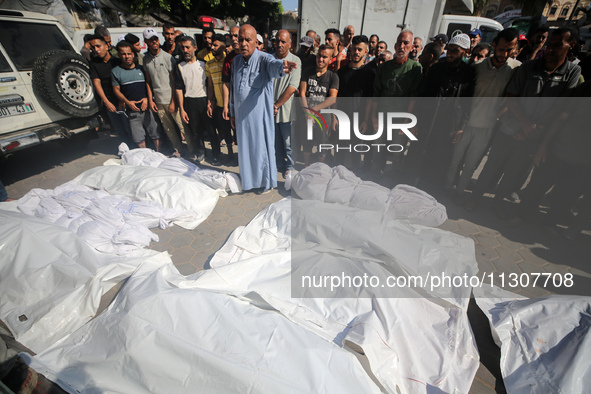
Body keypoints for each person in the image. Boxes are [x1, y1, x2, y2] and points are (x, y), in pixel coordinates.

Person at [465, 26, 582, 217]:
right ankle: (475, 198)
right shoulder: (529, 67)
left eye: (557, 45)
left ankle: (497, 203)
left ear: (571, 46)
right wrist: (525, 124)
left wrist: (534, 128)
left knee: (514, 173)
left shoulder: (572, 72)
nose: (551, 49)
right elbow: (511, 96)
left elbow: (561, 106)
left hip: (533, 136)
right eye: (549, 45)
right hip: (510, 128)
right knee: (491, 167)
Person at [445, 28, 520, 204]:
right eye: (502, 49)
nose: (505, 54)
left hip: (487, 127)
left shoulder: (515, 69)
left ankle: (461, 193)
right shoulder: (477, 67)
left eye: (510, 50)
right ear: (494, 45)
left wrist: (499, 115)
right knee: (454, 161)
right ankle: (447, 190)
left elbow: (512, 98)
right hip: (467, 124)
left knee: (471, 165)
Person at [508, 81, 591, 229]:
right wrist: (543, 146)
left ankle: (549, 225)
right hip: (559, 153)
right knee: (537, 188)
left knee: (566, 198)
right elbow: (560, 118)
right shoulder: (585, 89)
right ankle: (521, 216)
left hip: (584, 164)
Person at [229, 25, 297, 194]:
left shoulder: (264, 58)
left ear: (256, 42)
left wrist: (283, 67)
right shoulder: (236, 61)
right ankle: (249, 182)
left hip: (259, 117)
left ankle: (266, 183)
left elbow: (274, 65)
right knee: (245, 151)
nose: (243, 43)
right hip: (242, 117)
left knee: (261, 151)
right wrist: (232, 112)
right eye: (241, 39)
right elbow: (233, 88)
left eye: (248, 40)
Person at [415, 33, 475, 193]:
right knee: (423, 155)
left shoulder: (469, 73)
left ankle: (432, 191)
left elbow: (468, 102)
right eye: (449, 49)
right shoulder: (437, 69)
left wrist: (461, 126)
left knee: (442, 159)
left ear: (465, 51)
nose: (450, 54)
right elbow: (423, 96)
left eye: (455, 50)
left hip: (450, 124)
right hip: (430, 121)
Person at [371, 30, 422, 173]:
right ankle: (374, 179)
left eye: (406, 43)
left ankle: (393, 182)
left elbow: (414, 96)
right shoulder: (384, 67)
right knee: (377, 152)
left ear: (412, 46)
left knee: (396, 154)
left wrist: (407, 121)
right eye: (399, 42)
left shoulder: (415, 68)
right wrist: (374, 117)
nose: (402, 46)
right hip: (382, 117)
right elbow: (376, 93)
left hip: (401, 120)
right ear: (394, 45)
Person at [143, 27, 192, 158]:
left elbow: (175, 81)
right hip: (158, 102)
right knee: (169, 129)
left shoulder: (168, 57)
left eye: (155, 39)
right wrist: (150, 100)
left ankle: (193, 151)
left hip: (171, 100)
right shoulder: (146, 59)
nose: (153, 42)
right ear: (146, 42)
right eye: (150, 40)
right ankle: (179, 150)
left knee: (183, 127)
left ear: (158, 40)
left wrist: (173, 102)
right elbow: (148, 81)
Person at [176, 36, 221, 165]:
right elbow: (179, 88)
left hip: (204, 100)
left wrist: (210, 101)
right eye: (183, 47)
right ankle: (200, 152)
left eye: (188, 47)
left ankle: (216, 154)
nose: (185, 50)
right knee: (196, 132)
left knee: (211, 130)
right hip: (190, 102)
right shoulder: (180, 66)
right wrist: (182, 109)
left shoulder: (203, 64)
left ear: (194, 48)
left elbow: (210, 84)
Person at [112, 41, 161, 150]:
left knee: (155, 134)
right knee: (138, 137)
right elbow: (116, 90)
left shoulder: (142, 69)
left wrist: (147, 99)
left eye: (129, 54)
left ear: (133, 54)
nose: (127, 57)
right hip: (132, 111)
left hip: (147, 108)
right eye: (123, 54)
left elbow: (151, 85)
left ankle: (159, 154)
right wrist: (127, 102)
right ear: (119, 55)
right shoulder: (116, 72)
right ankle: (144, 157)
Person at [336, 35, 375, 170]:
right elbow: (336, 96)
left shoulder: (370, 74)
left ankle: (354, 179)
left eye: (360, 49)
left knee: (355, 153)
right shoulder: (341, 73)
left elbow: (370, 98)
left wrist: (365, 120)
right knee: (339, 151)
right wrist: (335, 117)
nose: (356, 52)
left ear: (366, 52)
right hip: (342, 118)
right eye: (354, 49)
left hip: (359, 120)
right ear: (350, 50)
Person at [298, 44, 339, 167]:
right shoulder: (307, 72)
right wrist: (307, 113)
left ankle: (321, 168)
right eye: (319, 56)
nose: (320, 59)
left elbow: (332, 99)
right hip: (307, 114)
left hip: (323, 116)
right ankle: (306, 166)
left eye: (324, 57)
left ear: (330, 59)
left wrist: (313, 111)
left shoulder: (333, 76)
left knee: (323, 143)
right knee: (307, 141)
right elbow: (302, 93)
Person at [88, 35, 133, 146]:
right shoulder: (95, 64)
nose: (96, 50)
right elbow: (97, 83)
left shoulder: (117, 61)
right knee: (119, 129)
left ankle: (136, 149)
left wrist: (122, 99)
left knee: (130, 128)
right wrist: (106, 102)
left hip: (123, 101)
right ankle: (127, 150)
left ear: (107, 46)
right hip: (110, 102)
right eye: (93, 47)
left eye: (98, 46)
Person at [272, 29, 302, 178]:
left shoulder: (295, 61)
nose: (279, 44)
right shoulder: (269, 59)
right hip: (270, 109)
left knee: (288, 143)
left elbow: (292, 88)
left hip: (285, 110)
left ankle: (291, 167)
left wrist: (276, 105)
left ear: (290, 44)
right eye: (277, 40)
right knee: (275, 141)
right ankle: (279, 164)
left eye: (283, 41)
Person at [206, 34, 235, 164]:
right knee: (224, 130)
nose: (212, 47)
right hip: (219, 103)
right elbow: (210, 84)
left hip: (232, 103)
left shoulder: (229, 61)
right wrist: (210, 100)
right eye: (212, 44)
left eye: (215, 45)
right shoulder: (209, 64)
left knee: (236, 131)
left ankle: (238, 155)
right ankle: (230, 154)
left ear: (223, 46)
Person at [222, 25, 240, 143]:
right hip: (236, 105)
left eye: (236, 35)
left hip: (253, 106)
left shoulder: (256, 56)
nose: (233, 39)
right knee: (239, 136)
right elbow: (226, 83)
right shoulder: (228, 59)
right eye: (231, 36)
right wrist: (225, 106)